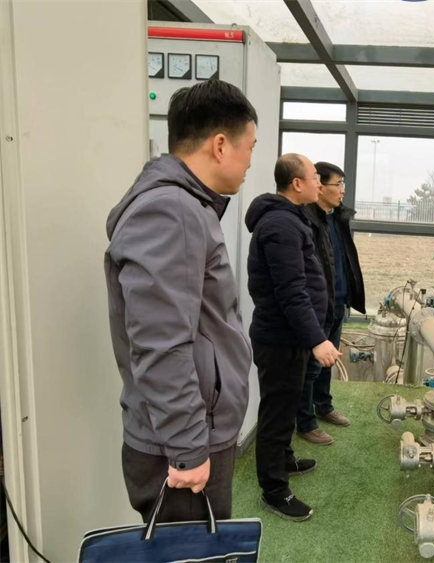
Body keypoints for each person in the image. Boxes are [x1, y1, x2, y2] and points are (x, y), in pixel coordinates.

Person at [104, 80, 257, 521]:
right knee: (190, 549)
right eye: (250, 147)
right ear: (220, 145)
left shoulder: (186, 205)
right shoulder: (172, 210)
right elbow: (161, 342)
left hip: (186, 435)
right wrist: (189, 448)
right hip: (180, 447)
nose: (251, 161)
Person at [245, 153, 342, 521]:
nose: (320, 182)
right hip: (280, 340)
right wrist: (317, 339)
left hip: (291, 337)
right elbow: (291, 292)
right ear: (297, 184)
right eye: (315, 176)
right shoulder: (281, 225)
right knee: (276, 413)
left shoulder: (292, 219)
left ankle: (284, 459)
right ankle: (274, 492)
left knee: (286, 407)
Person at [296, 162, 366, 445]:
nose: (343, 191)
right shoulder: (306, 221)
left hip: (338, 301)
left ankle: (323, 406)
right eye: (338, 184)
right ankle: (305, 422)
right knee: (312, 366)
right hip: (318, 306)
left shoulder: (335, 218)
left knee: (330, 359)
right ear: (321, 187)